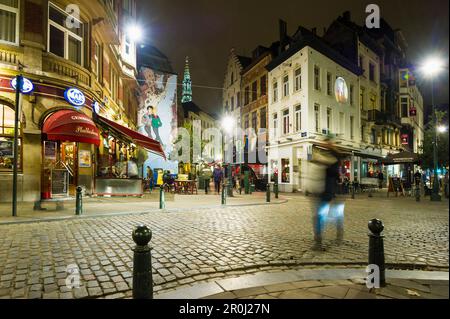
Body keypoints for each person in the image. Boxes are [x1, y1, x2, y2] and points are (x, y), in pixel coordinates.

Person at [311, 140, 345, 251]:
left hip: (327, 191)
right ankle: (336, 235)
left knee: (320, 216)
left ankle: (319, 242)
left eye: (327, 143)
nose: (324, 144)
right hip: (325, 191)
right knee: (325, 216)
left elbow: (334, 173)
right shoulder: (331, 157)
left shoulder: (333, 159)